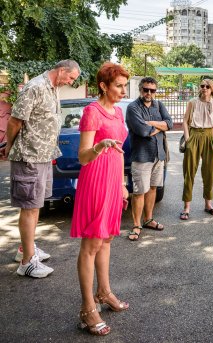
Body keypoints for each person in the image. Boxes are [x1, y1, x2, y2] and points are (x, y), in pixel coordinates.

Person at [0, 60, 80, 278]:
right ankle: (27, 262)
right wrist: (9, 146)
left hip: (44, 156)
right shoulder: (35, 86)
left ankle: (25, 248)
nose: (71, 82)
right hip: (29, 156)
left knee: (36, 205)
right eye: (71, 78)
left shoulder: (52, 88)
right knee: (30, 207)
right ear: (62, 70)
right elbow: (15, 121)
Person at [70, 62, 130, 336]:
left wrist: (122, 184)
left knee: (106, 239)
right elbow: (83, 156)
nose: (123, 90)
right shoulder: (91, 113)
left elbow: (119, 151)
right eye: (118, 85)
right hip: (95, 181)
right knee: (92, 244)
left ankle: (104, 292)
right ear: (104, 86)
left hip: (113, 181)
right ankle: (86, 308)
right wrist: (98, 146)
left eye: (124, 85)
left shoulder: (118, 113)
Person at [126, 77, 172, 241]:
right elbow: (143, 131)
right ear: (140, 90)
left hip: (158, 155)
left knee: (153, 188)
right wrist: (159, 126)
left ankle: (148, 220)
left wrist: (152, 122)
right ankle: (136, 225)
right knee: (139, 192)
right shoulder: (133, 108)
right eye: (146, 90)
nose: (149, 93)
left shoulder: (158, 105)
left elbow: (170, 123)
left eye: (152, 90)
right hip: (141, 156)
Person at [180, 79, 213, 220]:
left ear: (212, 89)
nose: (204, 88)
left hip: (210, 136)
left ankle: (208, 204)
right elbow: (185, 120)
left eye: (207, 86)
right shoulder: (193, 102)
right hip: (194, 134)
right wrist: (188, 138)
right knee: (189, 171)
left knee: (210, 171)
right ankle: (186, 207)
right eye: (202, 86)